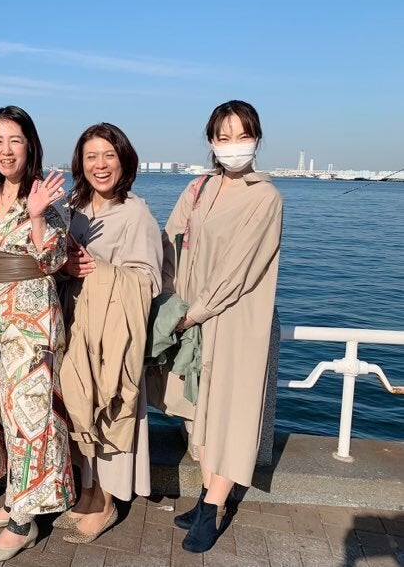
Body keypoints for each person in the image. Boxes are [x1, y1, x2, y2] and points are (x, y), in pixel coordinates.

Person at [161, 100, 283, 553]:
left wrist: (194, 313)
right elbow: (170, 241)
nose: (234, 145)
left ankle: (213, 509)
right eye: (224, 136)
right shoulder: (199, 188)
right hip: (193, 315)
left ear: (257, 139)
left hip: (234, 319)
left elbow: (240, 270)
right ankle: (205, 497)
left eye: (243, 135)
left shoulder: (265, 197)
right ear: (211, 142)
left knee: (231, 411)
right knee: (202, 408)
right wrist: (169, 298)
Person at [0, 106, 75, 563]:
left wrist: (38, 215)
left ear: (30, 145)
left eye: (15, 140)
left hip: (31, 324)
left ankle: (23, 523)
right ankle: (14, 498)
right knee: (7, 416)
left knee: (32, 417)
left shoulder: (46, 195)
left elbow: (53, 260)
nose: (6, 150)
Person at [56, 123, 162, 543]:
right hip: (75, 325)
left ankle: (106, 500)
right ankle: (86, 490)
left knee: (110, 409)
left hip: (113, 335)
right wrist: (66, 267)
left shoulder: (136, 214)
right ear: (80, 163)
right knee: (79, 408)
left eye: (109, 155)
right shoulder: (74, 207)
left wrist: (99, 270)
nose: (100, 165)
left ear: (124, 160)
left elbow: (148, 280)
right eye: (91, 157)